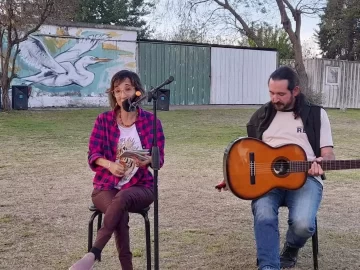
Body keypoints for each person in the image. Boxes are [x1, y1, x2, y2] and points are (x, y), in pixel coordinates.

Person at [217, 66, 335, 270]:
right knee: (264, 214)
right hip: (266, 180)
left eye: (281, 94)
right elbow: (247, 152)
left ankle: (290, 248)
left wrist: (322, 163)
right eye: (271, 93)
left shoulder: (316, 114)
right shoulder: (261, 115)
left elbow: (328, 154)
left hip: (306, 178)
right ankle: (269, 266)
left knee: (303, 224)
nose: (275, 98)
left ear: (295, 91)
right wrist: (233, 177)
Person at [69, 70, 165, 270]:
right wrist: (109, 164)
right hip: (106, 185)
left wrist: (147, 160)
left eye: (127, 89)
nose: (122, 95)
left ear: (137, 92)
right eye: (117, 91)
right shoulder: (103, 120)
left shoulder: (152, 122)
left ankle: (93, 253)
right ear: (113, 95)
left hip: (141, 186)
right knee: (119, 210)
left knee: (121, 199)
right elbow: (93, 155)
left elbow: (159, 159)